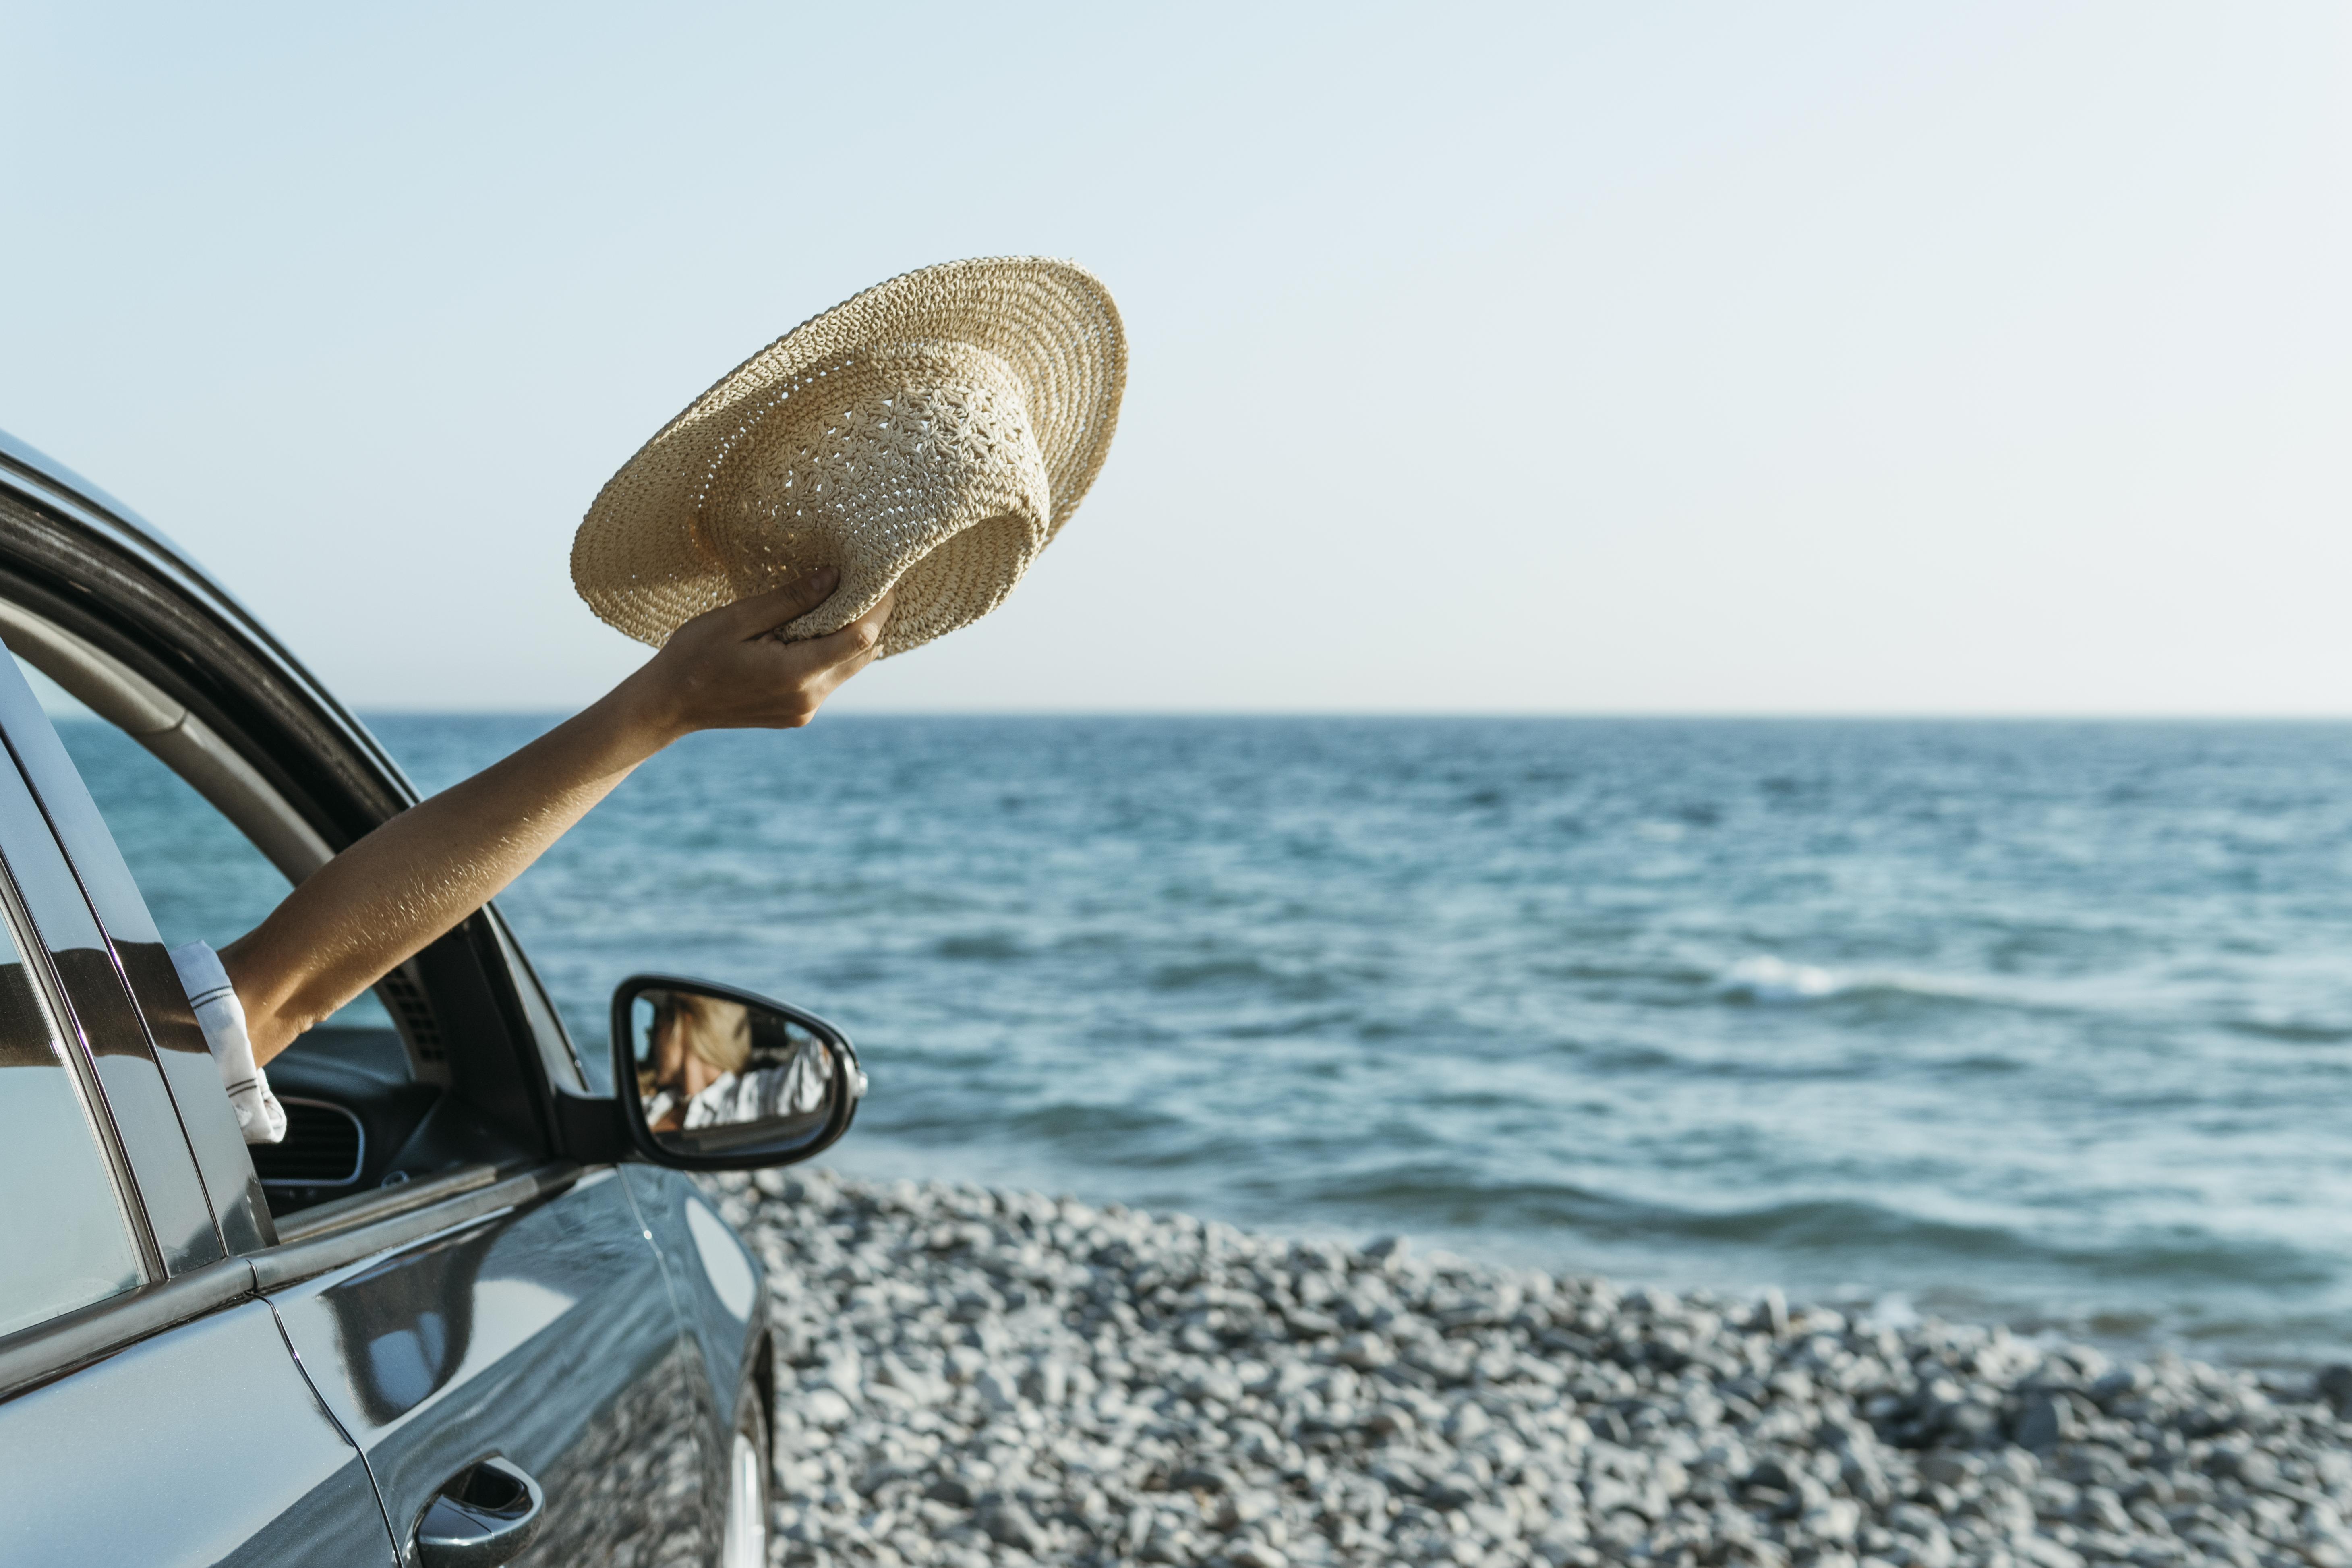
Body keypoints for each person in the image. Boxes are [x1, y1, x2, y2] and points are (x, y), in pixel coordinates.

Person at [172, 569, 891, 1140]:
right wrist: (670, 704)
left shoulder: (72, 1042)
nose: (672, 1061)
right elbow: (268, 1000)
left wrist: (675, 700)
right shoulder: (108, 1056)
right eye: (676, 1036)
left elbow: (265, 999)